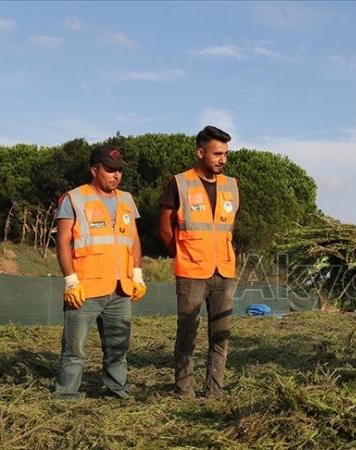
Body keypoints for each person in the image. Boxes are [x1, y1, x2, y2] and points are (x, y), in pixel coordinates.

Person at [54, 145, 146, 400]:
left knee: (118, 348)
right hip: (85, 289)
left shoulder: (127, 200)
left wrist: (137, 273)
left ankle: (118, 391)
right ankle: (66, 396)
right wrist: (71, 281)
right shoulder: (74, 198)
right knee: (74, 349)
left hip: (120, 289)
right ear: (94, 170)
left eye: (119, 171)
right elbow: (62, 243)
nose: (116, 175)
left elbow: (134, 240)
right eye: (110, 170)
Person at [159, 125, 239, 398]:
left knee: (221, 336)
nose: (222, 160)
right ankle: (184, 391)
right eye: (217, 154)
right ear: (200, 152)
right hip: (191, 272)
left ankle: (214, 391)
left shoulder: (231, 185)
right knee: (187, 335)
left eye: (226, 154)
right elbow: (165, 228)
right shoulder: (179, 183)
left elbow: (227, 228)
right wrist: (181, 253)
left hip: (224, 272)